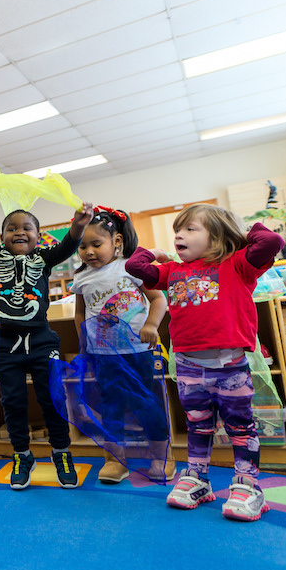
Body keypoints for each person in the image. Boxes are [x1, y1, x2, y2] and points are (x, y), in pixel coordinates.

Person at [125, 204, 284, 521]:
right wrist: (154, 251)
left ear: (218, 236)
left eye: (189, 229)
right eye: (176, 232)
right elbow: (135, 266)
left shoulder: (237, 264)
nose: (179, 236)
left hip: (230, 366)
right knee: (198, 425)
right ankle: (197, 477)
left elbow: (271, 243)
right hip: (188, 366)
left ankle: (248, 484)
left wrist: (242, 229)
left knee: (240, 427)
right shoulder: (172, 271)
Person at [0, 193, 94, 489]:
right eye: (12, 228)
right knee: (12, 402)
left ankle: (61, 452)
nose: (19, 232)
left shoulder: (43, 260)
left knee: (52, 399)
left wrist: (79, 225)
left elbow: (67, 245)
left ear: (38, 237)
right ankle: (22, 454)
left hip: (42, 341)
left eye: (27, 227)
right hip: (6, 343)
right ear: (1, 237)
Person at [70, 207, 172, 483]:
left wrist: (151, 325)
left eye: (96, 244)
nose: (89, 252)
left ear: (116, 241)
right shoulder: (81, 278)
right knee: (110, 407)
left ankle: (162, 457)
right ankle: (115, 460)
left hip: (137, 352)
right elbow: (81, 313)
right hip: (103, 355)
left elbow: (158, 299)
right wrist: (83, 339)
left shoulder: (132, 267)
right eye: (82, 246)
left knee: (147, 405)